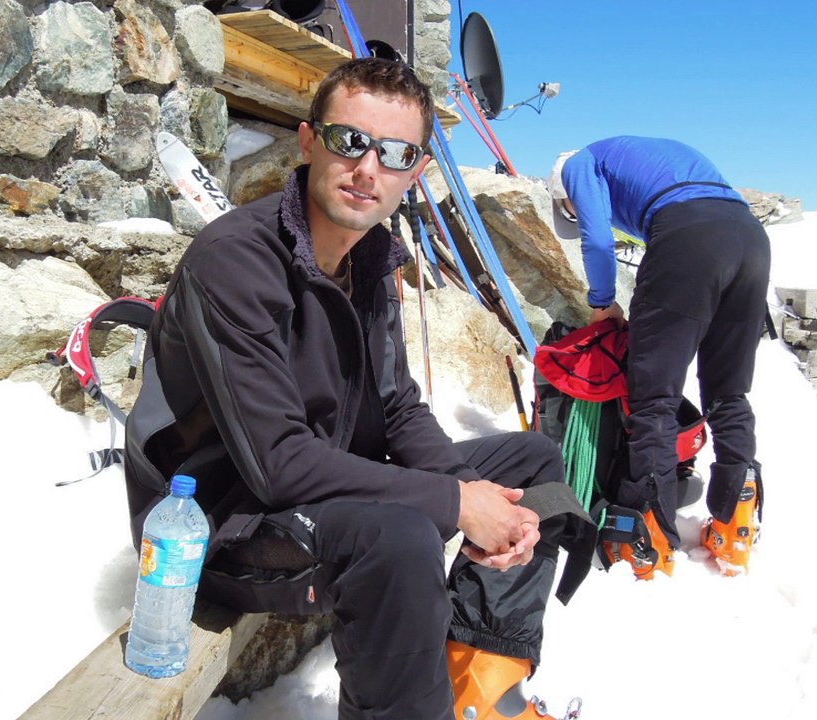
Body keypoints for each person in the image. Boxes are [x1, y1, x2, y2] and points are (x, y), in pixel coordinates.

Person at [124, 58, 595, 720]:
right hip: (217, 522)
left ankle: (478, 686)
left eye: (396, 153)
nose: (369, 168)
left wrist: (476, 494)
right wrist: (456, 502)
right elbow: (278, 465)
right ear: (309, 141)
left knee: (533, 465)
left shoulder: (370, 260)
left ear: (416, 170)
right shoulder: (235, 261)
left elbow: (398, 406)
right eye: (350, 141)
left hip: (317, 487)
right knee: (397, 537)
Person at [546, 136, 770, 578]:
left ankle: (646, 538)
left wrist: (602, 302)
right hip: (750, 240)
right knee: (728, 391)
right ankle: (734, 522)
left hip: (688, 238)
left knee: (653, 399)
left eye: (569, 209)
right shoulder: (648, 153)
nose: (576, 213)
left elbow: (596, 240)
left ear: (562, 190)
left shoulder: (577, 162)